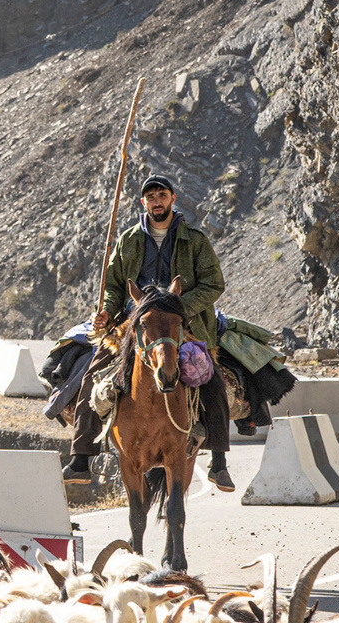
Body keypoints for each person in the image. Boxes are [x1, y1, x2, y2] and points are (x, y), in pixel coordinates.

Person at [61, 173, 234, 492]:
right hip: (135, 323)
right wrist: (107, 312)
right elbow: (114, 285)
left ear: (172, 199)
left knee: (212, 380)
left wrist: (180, 306)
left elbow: (214, 284)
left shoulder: (194, 240)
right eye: (151, 197)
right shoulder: (128, 239)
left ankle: (219, 462)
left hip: (182, 321)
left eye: (162, 195)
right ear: (144, 203)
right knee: (92, 374)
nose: (157, 201)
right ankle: (81, 457)